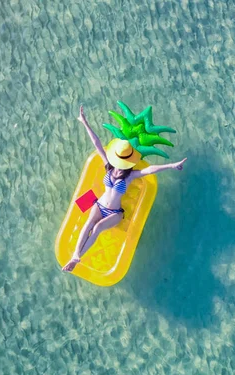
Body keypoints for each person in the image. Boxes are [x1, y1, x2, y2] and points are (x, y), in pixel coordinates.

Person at [62, 106, 187, 272]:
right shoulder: (108, 165)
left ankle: (77, 258)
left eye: (124, 165)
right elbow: (97, 143)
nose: (120, 169)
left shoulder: (130, 176)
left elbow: (149, 170)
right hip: (99, 205)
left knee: (97, 228)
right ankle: (75, 255)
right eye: (119, 164)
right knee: (88, 224)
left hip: (114, 213)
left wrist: (172, 166)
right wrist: (84, 122)